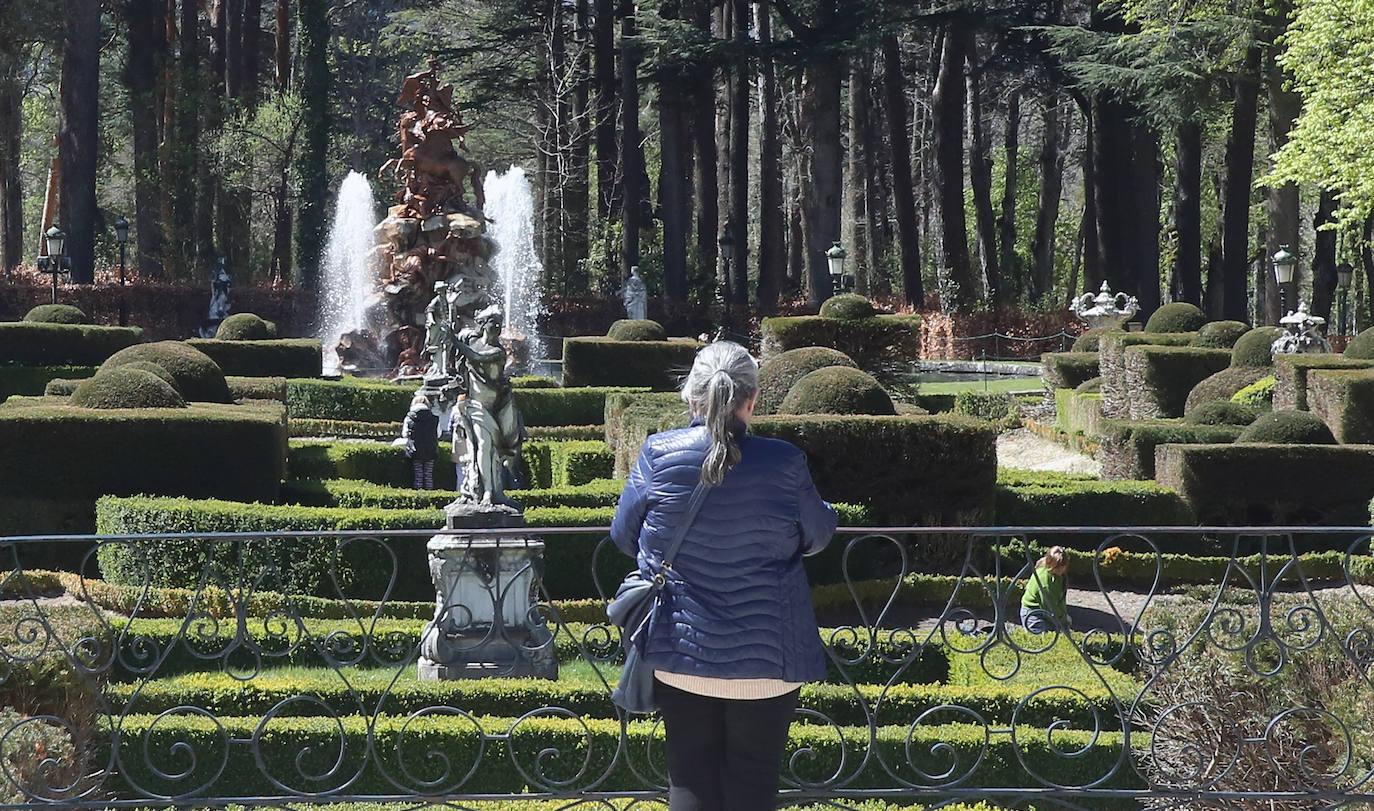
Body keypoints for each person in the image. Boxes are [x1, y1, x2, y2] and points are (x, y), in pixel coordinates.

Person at [610, 341, 837, 811]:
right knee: (754, 783)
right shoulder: (783, 461)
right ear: (751, 400)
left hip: (681, 650)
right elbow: (816, 537)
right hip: (767, 656)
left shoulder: (659, 452)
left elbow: (623, 535)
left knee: (689, 779)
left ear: (692, 396)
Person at [1020, 545, 1069, 634]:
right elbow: (1050, 607)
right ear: (1050, 564)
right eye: (1058, 567)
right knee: (1040, 642)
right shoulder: (1044, 580)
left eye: (1063, 566)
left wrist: (1064, 616)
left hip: (1045, 612)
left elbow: (1060, 600)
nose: (1061, 569)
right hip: (1033, 613)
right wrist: (1063, 619)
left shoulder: (1057, 575)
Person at [401, 393, 440, 490]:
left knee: (418, 474)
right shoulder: (434, 418)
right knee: (428, 475)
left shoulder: (409, 417)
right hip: (430, 449)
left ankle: (419, 496)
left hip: (415, 449)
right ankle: (430, 496)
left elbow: (405, 433)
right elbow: (438, 434)